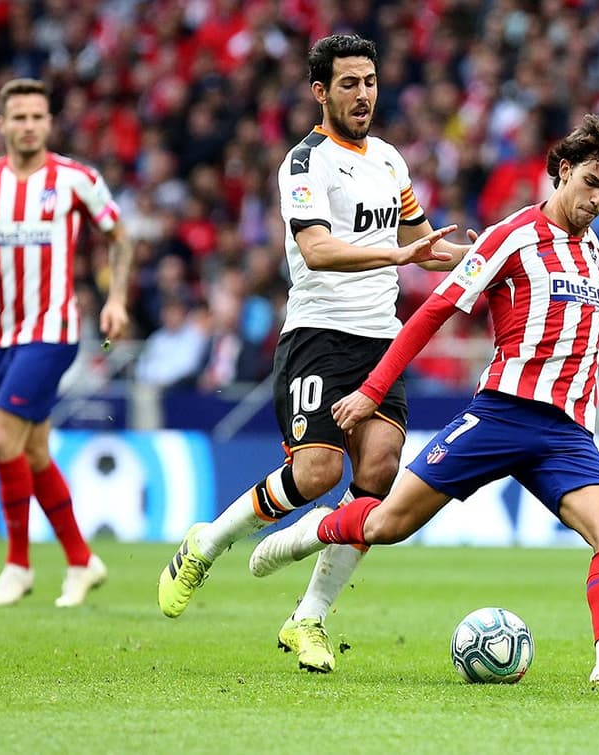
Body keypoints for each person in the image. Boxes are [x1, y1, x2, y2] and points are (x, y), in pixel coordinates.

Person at [247, 114, 599, 685]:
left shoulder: (590, 250)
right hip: (501, 414)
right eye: (592, 183)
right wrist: (372, 391)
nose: (598, 200)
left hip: (566, 433)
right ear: (564, 170)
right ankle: (310, 532)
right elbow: (435, 310)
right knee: (388, 525)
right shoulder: (512, 236)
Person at [156, 34, 473, 674]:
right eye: (349, 84)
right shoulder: (304, 164)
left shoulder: (389, 159)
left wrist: (497, 255)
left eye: (371, 82)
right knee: (318, 475)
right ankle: (204, 543)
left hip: (381, 340)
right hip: (318, 338)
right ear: (320, 91)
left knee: (378, 480)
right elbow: (321, 250)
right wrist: (398, 255)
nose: (364, 95)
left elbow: (424, 244)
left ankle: (309, 620)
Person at [0, 78, 132, 607]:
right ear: (1, 124)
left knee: (1, 441)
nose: (29, 126)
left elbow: (121, 238)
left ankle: (18, 566)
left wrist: (116, 299)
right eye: (19, 117)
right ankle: (80, 560)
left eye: (37, 117)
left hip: (53, 332)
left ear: (49, 123)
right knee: (32, 450)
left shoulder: (76, 179)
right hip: (3, 335)